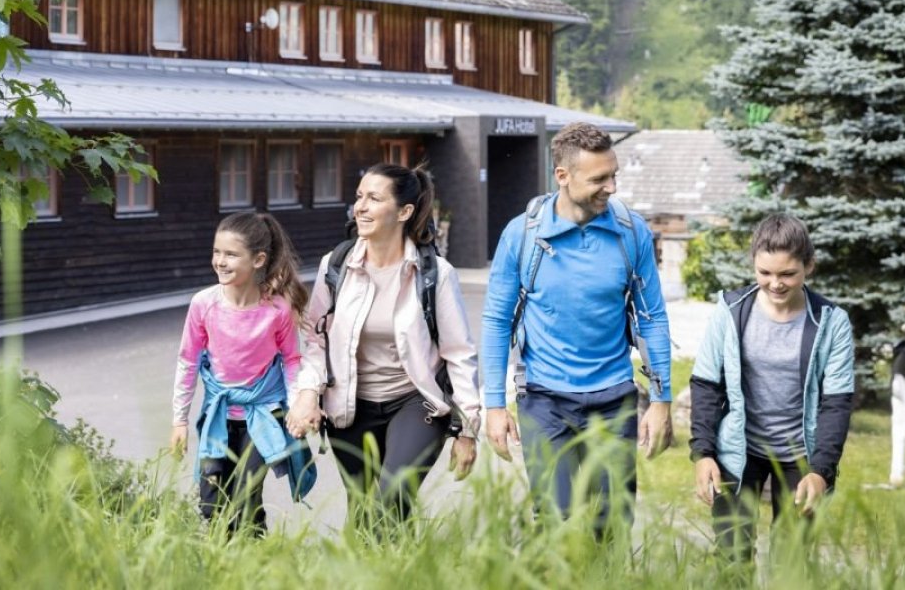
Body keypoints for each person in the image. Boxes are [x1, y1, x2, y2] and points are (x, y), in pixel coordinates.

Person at [481, 122, 673, 539]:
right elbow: (497, 320)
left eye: (613, 174)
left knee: (612, 524)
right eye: (599, 179)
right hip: (544, 399)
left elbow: (652, 317)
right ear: (562, 176)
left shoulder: (631, 232)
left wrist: (661, 400)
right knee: (555, 520)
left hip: (613, 399)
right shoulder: (523, 235)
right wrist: (494, 405)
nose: (611, 187)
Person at [287, 162, 480, 525]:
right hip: (349, 405)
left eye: (374, 198)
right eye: (359, 197)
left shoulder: (434, 273)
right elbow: (316, 340)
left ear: (404, 212)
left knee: (393, 496)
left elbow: (459, 354)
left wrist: (468, 429)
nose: (360, 206)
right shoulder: (337, 264)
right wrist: (308, 392)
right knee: (362, 512)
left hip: (416, 402)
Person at [689, 212, 855, 562]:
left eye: (787, 274)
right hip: (739, 451)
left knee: (791, 561)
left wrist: (821, 472)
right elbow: (706, 384)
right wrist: (703, 454)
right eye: (764, 273)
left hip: (801, 456)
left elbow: (836, 404)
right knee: (731, 557)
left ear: (809, 266)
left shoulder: (831, 322)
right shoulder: (730, 310)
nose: (775, 283)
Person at [170, 211, 316, 533]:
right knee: (210, 503)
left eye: (231, 254)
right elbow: (188, 361)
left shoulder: (276, 310)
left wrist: (296, 408)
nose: (220, 261)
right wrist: (179, 420)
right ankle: (223, 560)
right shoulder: (203, 304)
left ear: (258, 259)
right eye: (216, 252)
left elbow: (292, 360)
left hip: (262, 415)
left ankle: (253, 560)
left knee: (246, 497)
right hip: (219, 417)